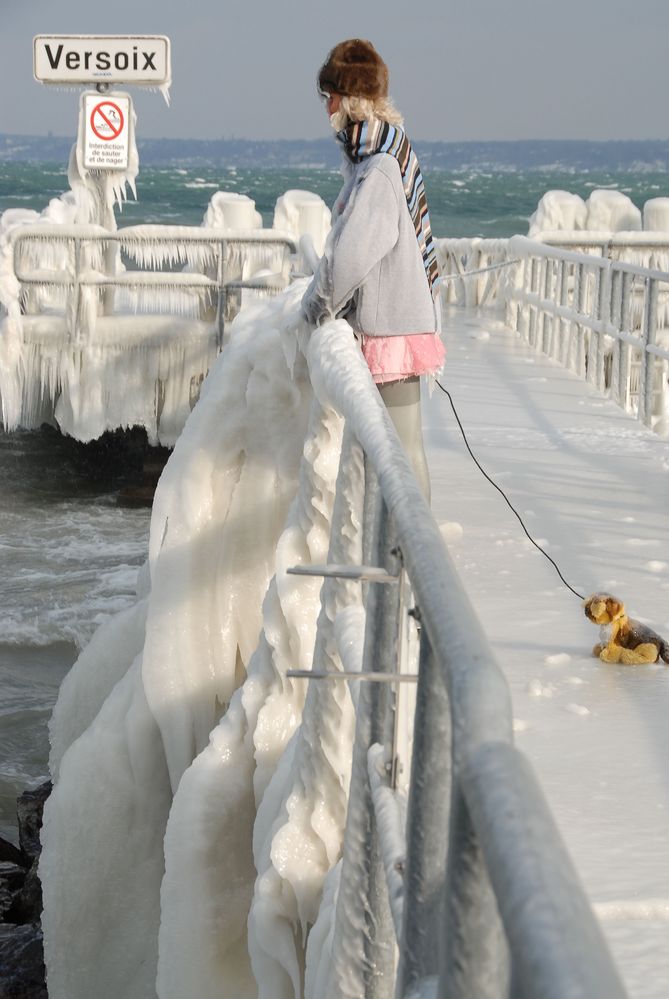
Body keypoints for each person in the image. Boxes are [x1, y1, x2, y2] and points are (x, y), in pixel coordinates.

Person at [301, 38, 445, 501]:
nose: (327, 109)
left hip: (393, 330)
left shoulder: (379, 167)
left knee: (401, 450)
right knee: (396, 449)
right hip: (394, 324)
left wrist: (313, 308)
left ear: (352, 99)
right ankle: (398, 550)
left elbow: (351, 256)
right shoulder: (379, 155)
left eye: (332, 97)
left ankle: (413, 556)